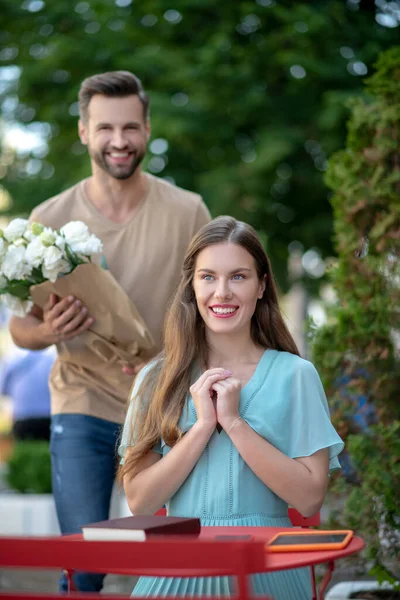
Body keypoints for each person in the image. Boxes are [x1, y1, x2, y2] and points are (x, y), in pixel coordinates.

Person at [8, 70, 210, 592]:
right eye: (104, 129)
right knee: (85, 562)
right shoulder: (46, 219)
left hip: (166, 404)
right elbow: (19, 330)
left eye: (129, 128)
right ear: (83, 131)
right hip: (83, 402)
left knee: (173, 565)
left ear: (146, 129)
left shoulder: (188, 212)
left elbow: (211, 308)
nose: (118, 141)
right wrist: (48, 329)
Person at [118, 216, 344, 600]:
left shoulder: (297, 375)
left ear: (261, 287)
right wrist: (203, 427)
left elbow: (309, 498)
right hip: (177, 572)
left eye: (238, 277)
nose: (221, 292)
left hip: (269, 568)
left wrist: (234, 422)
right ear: (192, 286)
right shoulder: (156, 379)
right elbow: (140, 501)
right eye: (208, 277)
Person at [0, 348, 55, 441]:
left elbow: (3, 390)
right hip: (51, 419)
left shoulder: (12, 358)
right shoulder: (54, 357)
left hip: (22, 420)